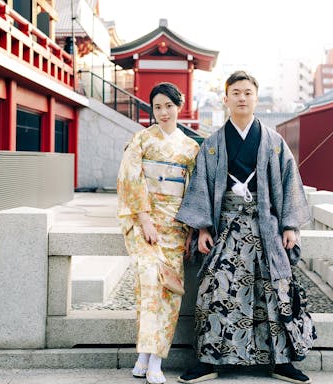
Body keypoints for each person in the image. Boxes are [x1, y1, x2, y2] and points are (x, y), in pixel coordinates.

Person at [175, 71, 315, 384]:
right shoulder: (212, 144)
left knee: (273, 291)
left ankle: (280, 360)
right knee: (216, 289)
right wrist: (202, 229)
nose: (241, 98)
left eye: (247, 92)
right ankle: (210, 359)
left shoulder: (273, 142)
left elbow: (291, 180)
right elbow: (199, 187)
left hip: (265, 227)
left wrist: (290, 225)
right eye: (235, 92)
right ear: (225, 99)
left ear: (256, 98)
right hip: (225, 226)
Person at [117, 82, 200, 384]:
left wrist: (191, 227)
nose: (163, 112)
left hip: (176, 225)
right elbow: (130, 178)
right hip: (146, 223)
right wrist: (144, 217)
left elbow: (194, 190)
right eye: (157, 107)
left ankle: (152, 359)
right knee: (149, 285)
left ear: (179, 106)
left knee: (169, 290)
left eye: (169, 105)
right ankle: (147, 357)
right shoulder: (141, 140)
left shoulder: (191, 148)